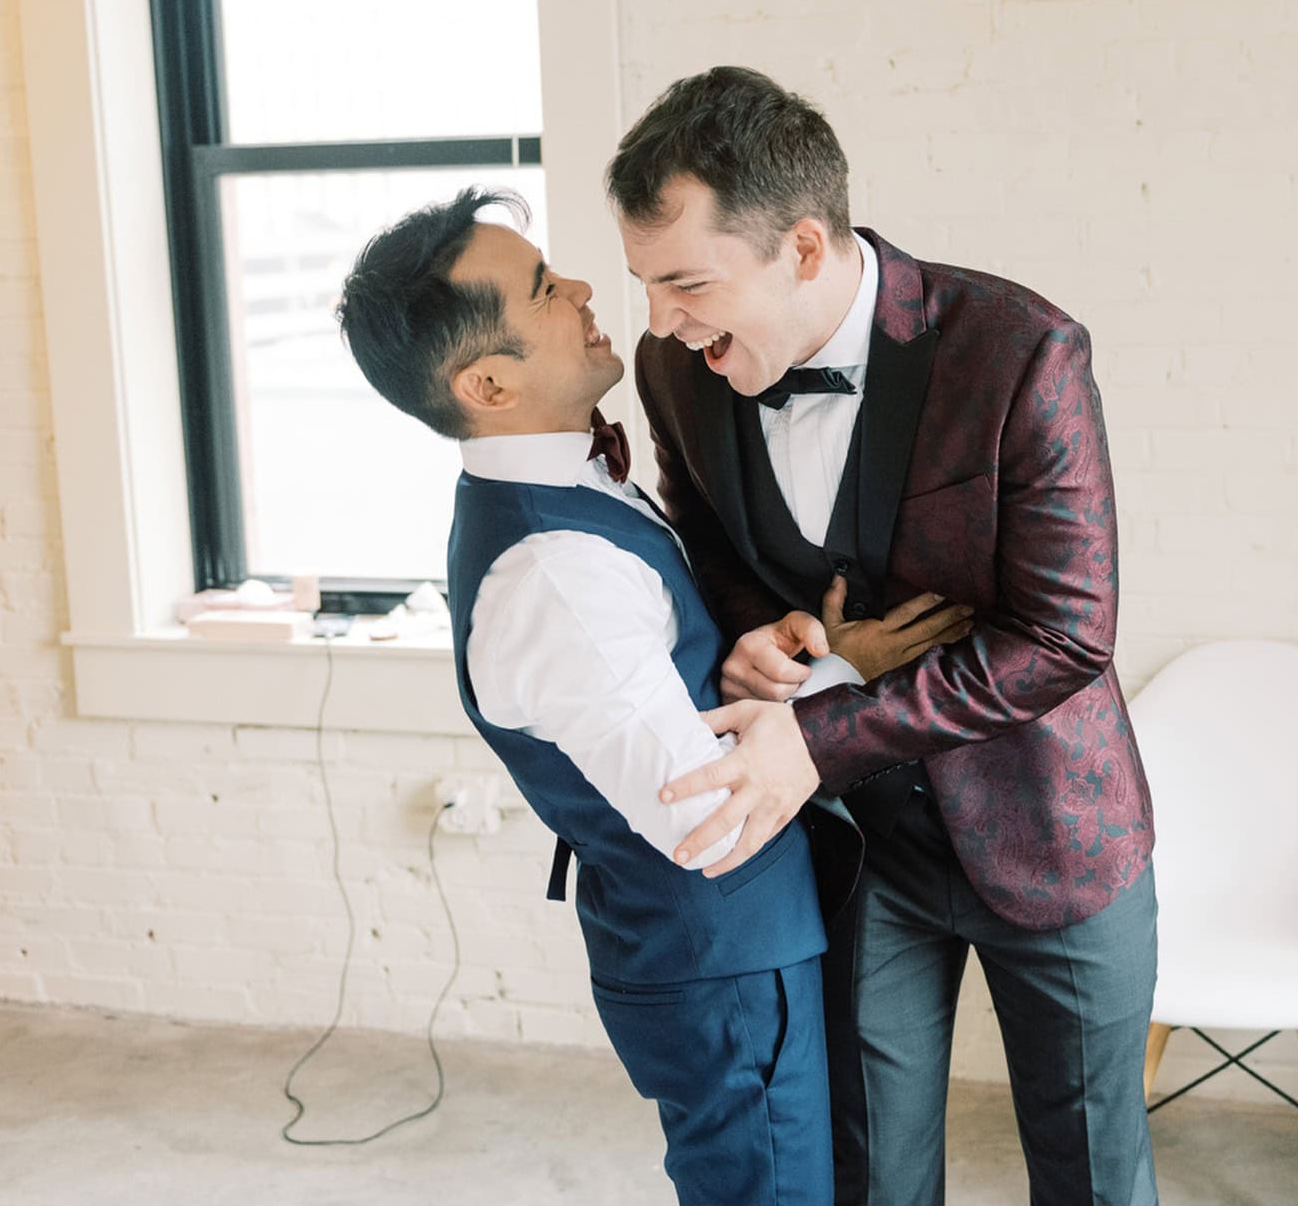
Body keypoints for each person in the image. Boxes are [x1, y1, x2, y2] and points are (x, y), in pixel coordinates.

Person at [335, 189, 950, 1205]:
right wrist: (848, 673)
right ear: (487, 382)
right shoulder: (553, 570)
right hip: (724, 963)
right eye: (540, 290)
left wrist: (775, 654)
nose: (580, 286)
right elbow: (702, 813)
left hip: (730, 952)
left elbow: (656, 691)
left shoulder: (564, 500)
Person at [615, 66, 1159, 1205]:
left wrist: (817, 735)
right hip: (862, 856)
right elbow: (708, 541)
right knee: (868, 1179)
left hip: (1053, 838)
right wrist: (756, 632)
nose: (658, 324)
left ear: (802, 249)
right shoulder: (677, 370)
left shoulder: (1019, 351)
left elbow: (1065, 635)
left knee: (1093, 1179)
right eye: (646, 286)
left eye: (684, 284)